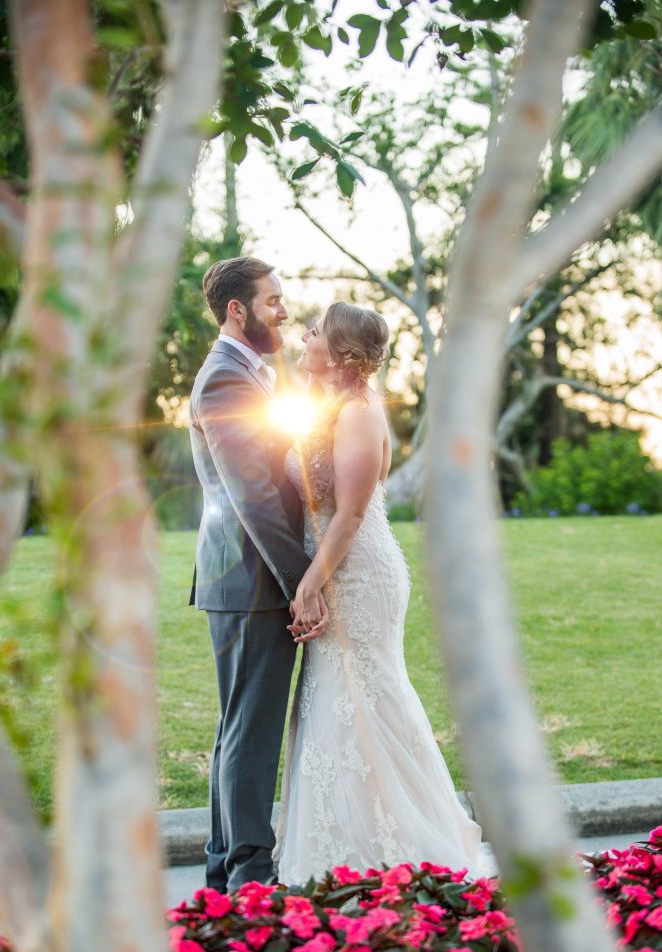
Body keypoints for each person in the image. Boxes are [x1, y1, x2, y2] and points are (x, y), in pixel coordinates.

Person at [275, 301, 483, 884]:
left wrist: (310, 583)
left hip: (360, 576)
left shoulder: (361, 414)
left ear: (339, 354)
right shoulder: (329, 406)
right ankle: (345, 848)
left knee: (365, 699)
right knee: (339, 704)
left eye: (315, 331)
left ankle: (397, 847)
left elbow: (351, 512)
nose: (305, 335)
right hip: (333, 568)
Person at [189, 256, 328, 893]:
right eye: (272, 300)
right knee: (251, 729)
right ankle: (250, 877)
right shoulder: (226, 380)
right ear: (236, 310)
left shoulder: (251, 374)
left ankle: (224, 871)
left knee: (238, 727)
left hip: (242, 579)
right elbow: (254, 499)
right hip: (251, 580)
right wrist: (303, 581)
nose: (283, 310)